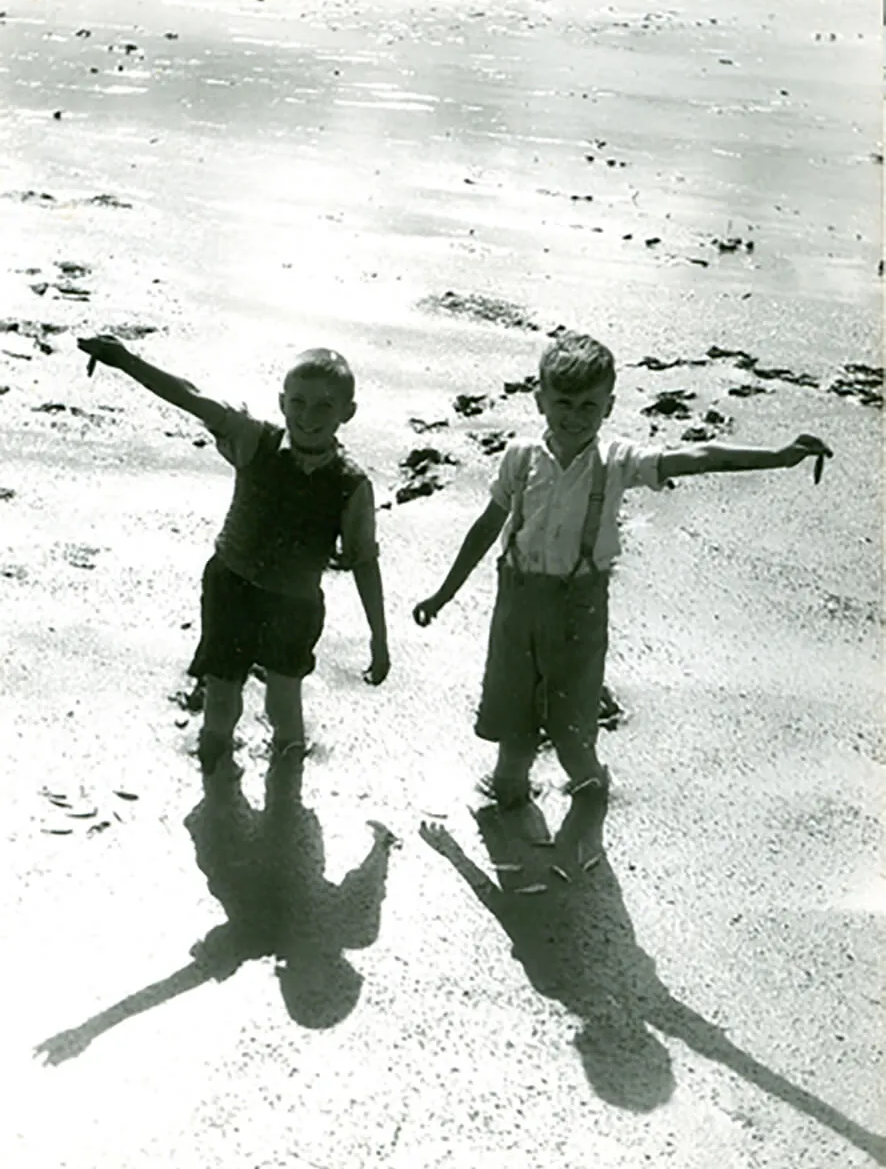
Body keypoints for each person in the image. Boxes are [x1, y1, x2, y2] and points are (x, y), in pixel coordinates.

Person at [413, 331, 831, 845]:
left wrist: (778, 455)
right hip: (515, 611)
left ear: (608, 406)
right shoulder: (520, 458)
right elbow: (484, 528)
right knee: (511, 743)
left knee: (572, 743)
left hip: (578, 612)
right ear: (539, 398)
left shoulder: (617, 463)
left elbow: (698, 456)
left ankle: (593, 795)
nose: (575, 416)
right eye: (563, 403)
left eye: (589, 405)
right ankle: (515, 830)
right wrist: (442, 594)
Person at [77, 335, 390, 773]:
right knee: (222, 695)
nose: (308, 416)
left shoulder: (351, 484)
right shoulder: (252, 439)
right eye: (298, 402)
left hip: (295, 605)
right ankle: (214, 772)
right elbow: (190, 397)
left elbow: (364, 561)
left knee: (285, 702)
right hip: (231, 587)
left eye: (324, 406)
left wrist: (379, 637)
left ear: (347, 413)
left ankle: (287, 785)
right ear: (282, 402)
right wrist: (126, 360)